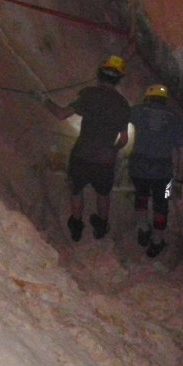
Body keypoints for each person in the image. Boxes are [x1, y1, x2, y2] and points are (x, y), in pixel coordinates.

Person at [34, 55, 131, 242]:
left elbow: (61, 114)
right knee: (103, 194)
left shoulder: (89, 95)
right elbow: (124, 139)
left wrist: (43, 99)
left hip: (82, 155)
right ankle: (101, 227)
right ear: (119, 79)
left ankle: (76, 228)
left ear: (100, 74)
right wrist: (113, 150)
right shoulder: (123, 105)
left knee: (76, 191)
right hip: (105, 159)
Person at [128, 84, 183, 258]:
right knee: (162, 204)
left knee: (141, 196)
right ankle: (156, 241)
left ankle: (143, 228)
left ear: (148, 97)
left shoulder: (137, 111)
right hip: (164, 173)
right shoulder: (175, 119)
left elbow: (118, 120)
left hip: (138, 169)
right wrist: (179, 181)